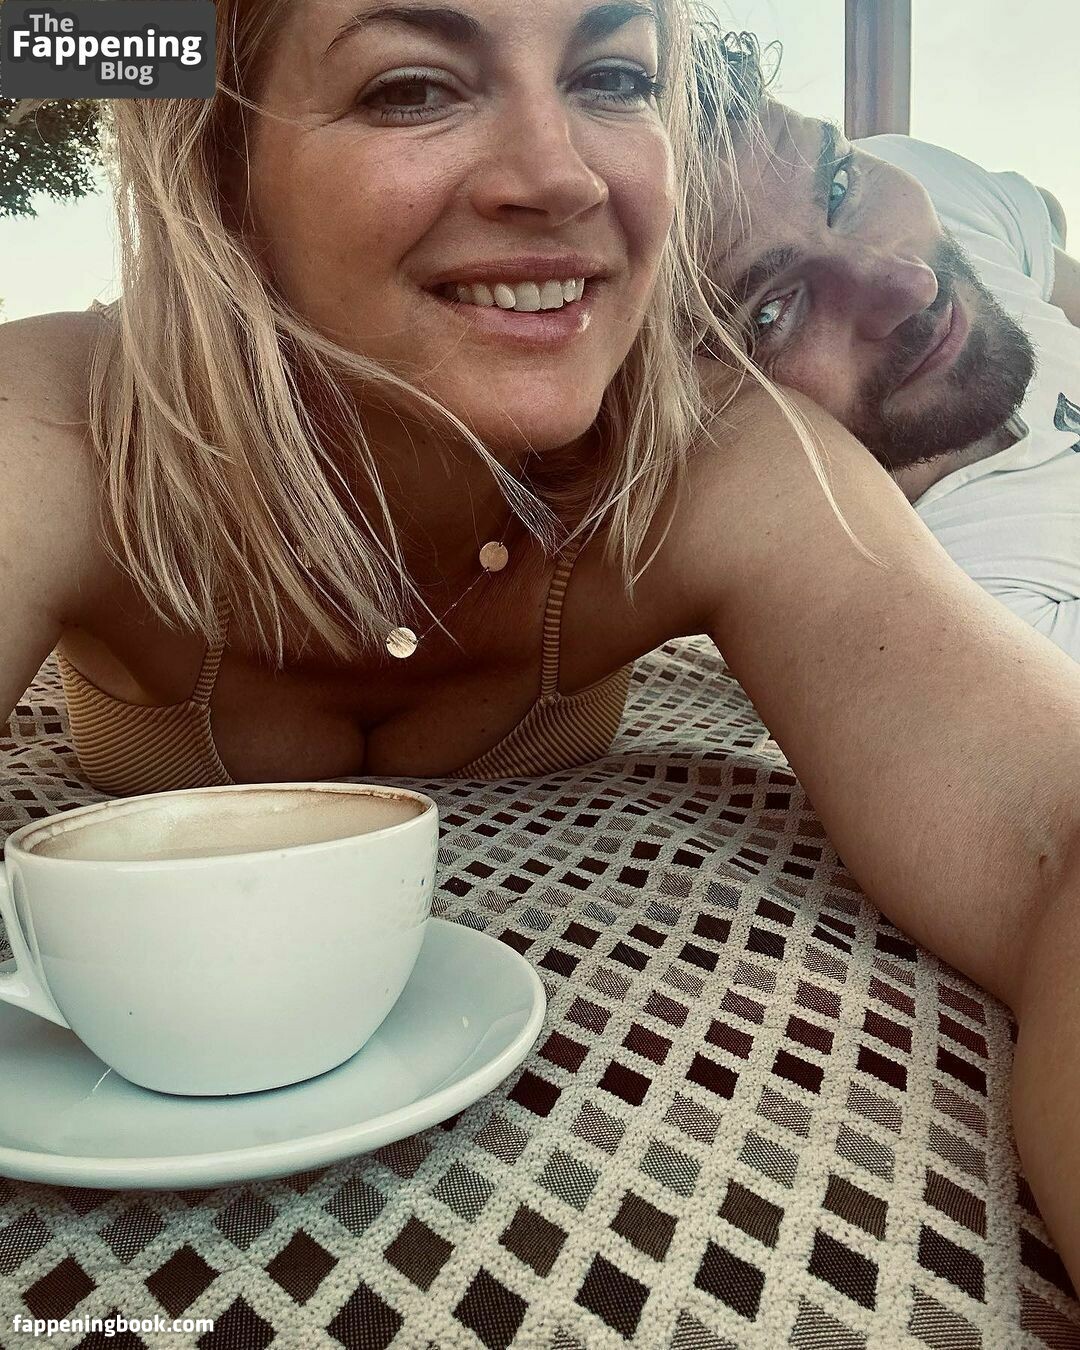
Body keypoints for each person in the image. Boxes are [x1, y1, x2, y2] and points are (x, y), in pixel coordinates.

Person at [4, 0, 1080, 1289]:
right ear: (221, 176)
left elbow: (1054, 822)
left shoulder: (723, 460)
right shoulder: (60, 429)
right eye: (412, 88)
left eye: (612, 77)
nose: (562, 176)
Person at [695, 27, 1080, 659]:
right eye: (771, 311)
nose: (915, 285)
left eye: (837, 192)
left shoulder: (915, 177)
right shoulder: (974, 621)